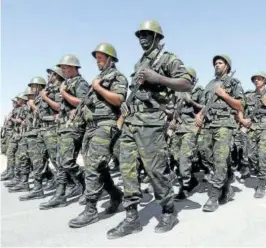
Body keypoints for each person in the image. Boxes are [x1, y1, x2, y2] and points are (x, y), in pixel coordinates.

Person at [107, 20, 193, 239]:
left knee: (155, 170)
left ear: (157, 37)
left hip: (152, 124)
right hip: (132, 121)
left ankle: (168, 211)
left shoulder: (167, 58)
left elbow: (186, 84)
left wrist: (158, 78)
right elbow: (138, 90)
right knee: (127, 171)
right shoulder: (140, 62)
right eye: (139, 35)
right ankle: (131, 218)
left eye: (147, 34)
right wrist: (127, 102)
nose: (142, 38)